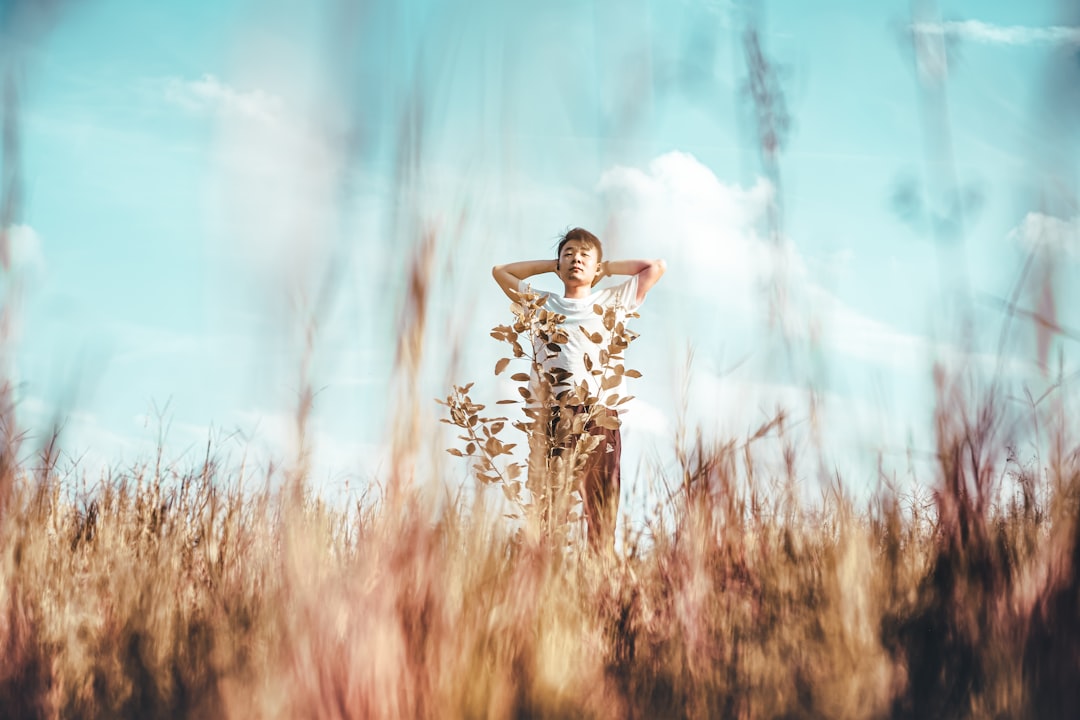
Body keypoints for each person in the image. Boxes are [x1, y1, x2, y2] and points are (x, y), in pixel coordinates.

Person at [492, 227, 665, 550]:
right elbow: (501, 272)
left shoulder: (613, 300)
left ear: (596, 267)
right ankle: (546, 574)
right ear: (559, 264)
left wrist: (606, 268)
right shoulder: (542, 303)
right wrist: (553, 264)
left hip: (600, 413)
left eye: (585, 255)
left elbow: (655, 267)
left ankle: (600, 571)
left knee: (601, 500)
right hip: (553, 416)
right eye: (569, 254)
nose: (576, 260)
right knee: (549, 502)